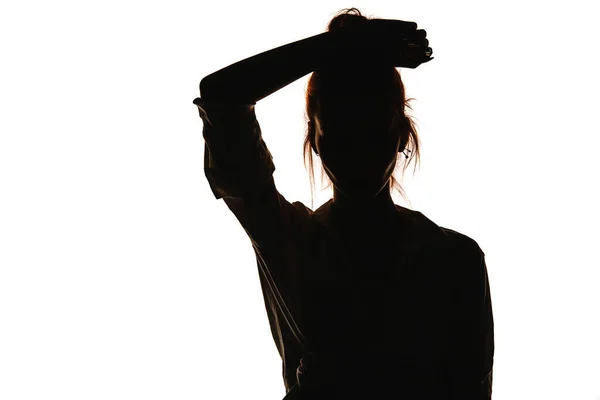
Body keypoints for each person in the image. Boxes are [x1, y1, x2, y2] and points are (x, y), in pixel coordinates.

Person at [193, 7, 494, 400]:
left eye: (373, 133)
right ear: (314, 139)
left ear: (403, 135)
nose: (359, 156)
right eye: (340, 134)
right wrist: (339, 46)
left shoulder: (457, 261)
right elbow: (221, 97)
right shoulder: (288, 240)